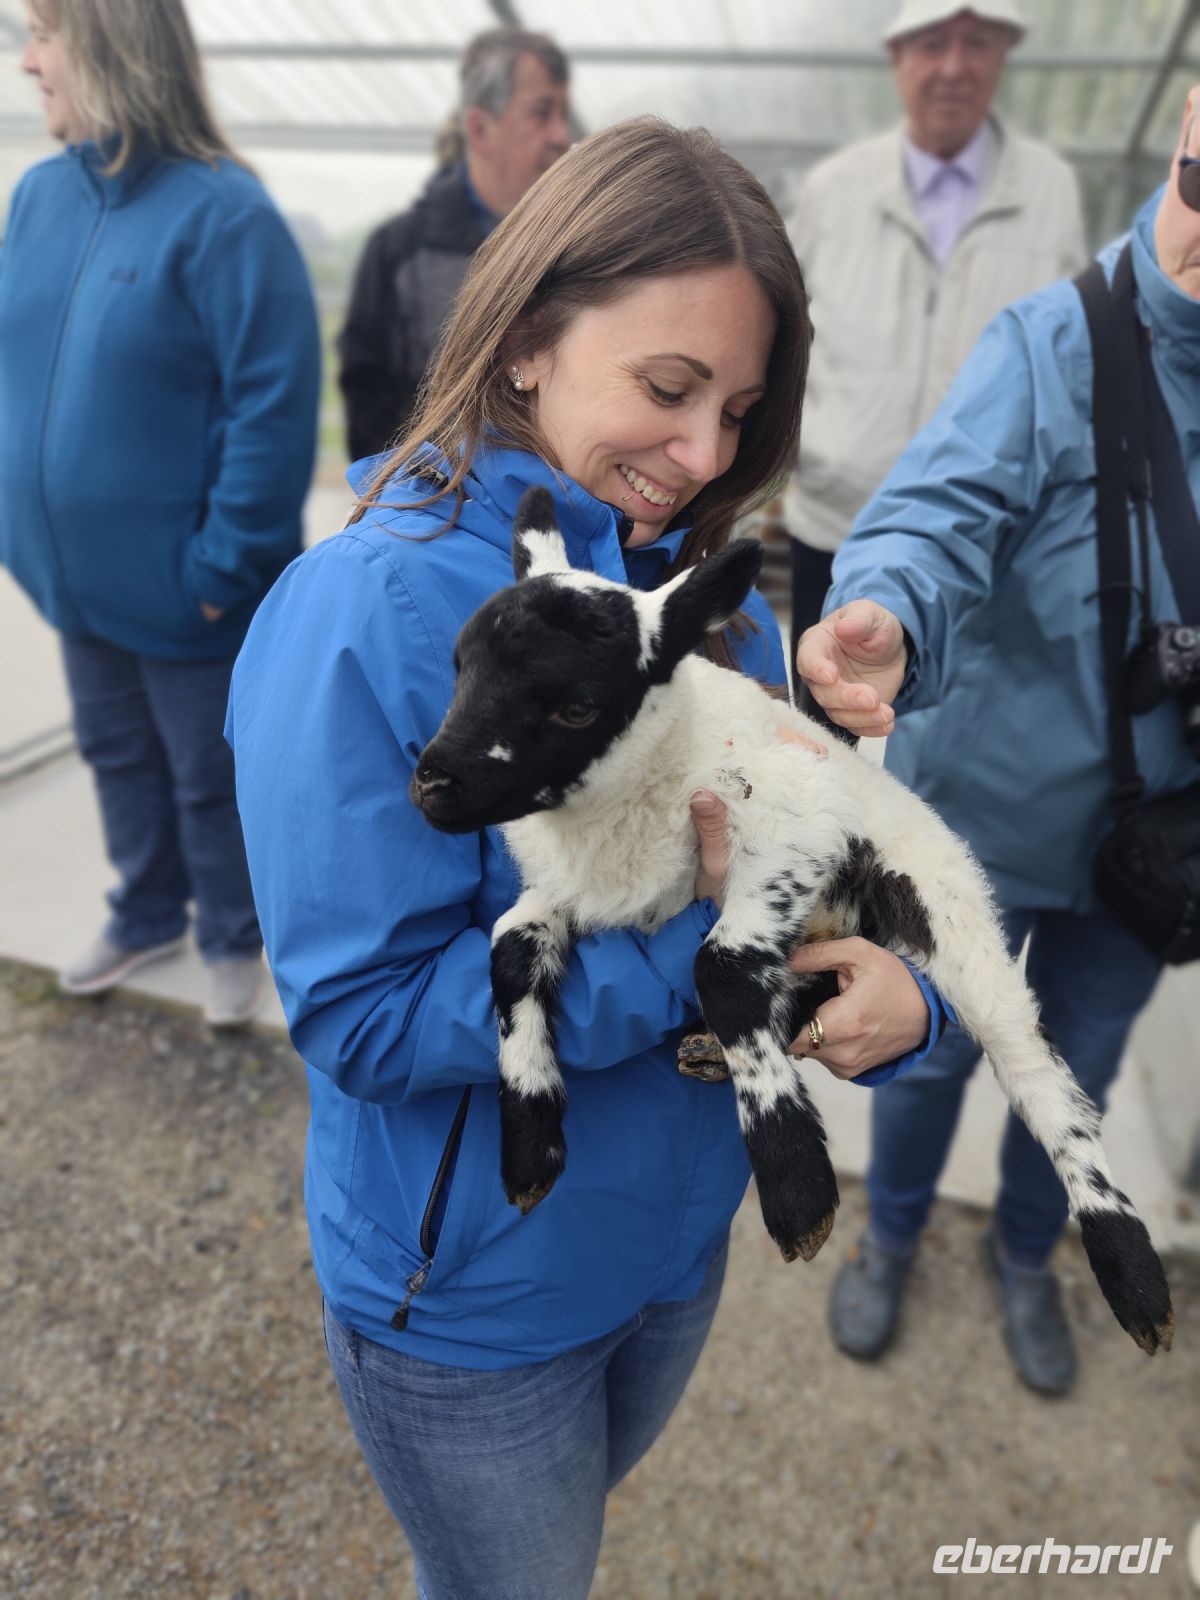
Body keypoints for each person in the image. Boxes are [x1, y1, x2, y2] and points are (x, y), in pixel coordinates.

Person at [228, 118, 957, 1599]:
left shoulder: (705, 616)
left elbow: (791, 891)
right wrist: (693, 956)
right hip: (478, 1303)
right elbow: (364, 1015)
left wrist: (899, 998)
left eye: (739, 410)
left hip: (674, 1247)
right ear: (523, 341)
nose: (705, 456)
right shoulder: (360, 615)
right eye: (668, 389)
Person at [797, 92, 1200, 1396]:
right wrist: (888, 619)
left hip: (1148, 845)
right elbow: (938, 512)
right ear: (1182, 138)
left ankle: (1027, 1255)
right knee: (932, 1047)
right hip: (979, 812)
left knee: (1075, 1071)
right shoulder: (1054, 342)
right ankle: (891, 1236)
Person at [0, 0, 320, 1026]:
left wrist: (223, 569)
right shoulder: (38, 197)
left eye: (42, 34)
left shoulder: (227, 217)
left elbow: (272, 407)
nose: (28, 62)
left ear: (110, 46)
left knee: (208, 777)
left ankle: (230, 928)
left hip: (190, 593)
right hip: (71, 578)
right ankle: (144, 909)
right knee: (115, 755)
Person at [782, 0, 1086, 649]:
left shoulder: (1049, 190)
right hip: (836, 527)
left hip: (984, 545)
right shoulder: (834, 189)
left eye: (976, 43)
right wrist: (801, 450)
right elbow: (779, 332)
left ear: (1002, 56)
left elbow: (1073, 358)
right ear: (897, 59)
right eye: (931, 45)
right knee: (825, 707)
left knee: (961, 711)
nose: (953, 68)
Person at [336, 26, 571, 463]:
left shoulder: (582, 247)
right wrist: (420, 490)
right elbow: (368, 404)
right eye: (542, 113)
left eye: (564, 114)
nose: (562, 134)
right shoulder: (399, 254)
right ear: (479, 129)